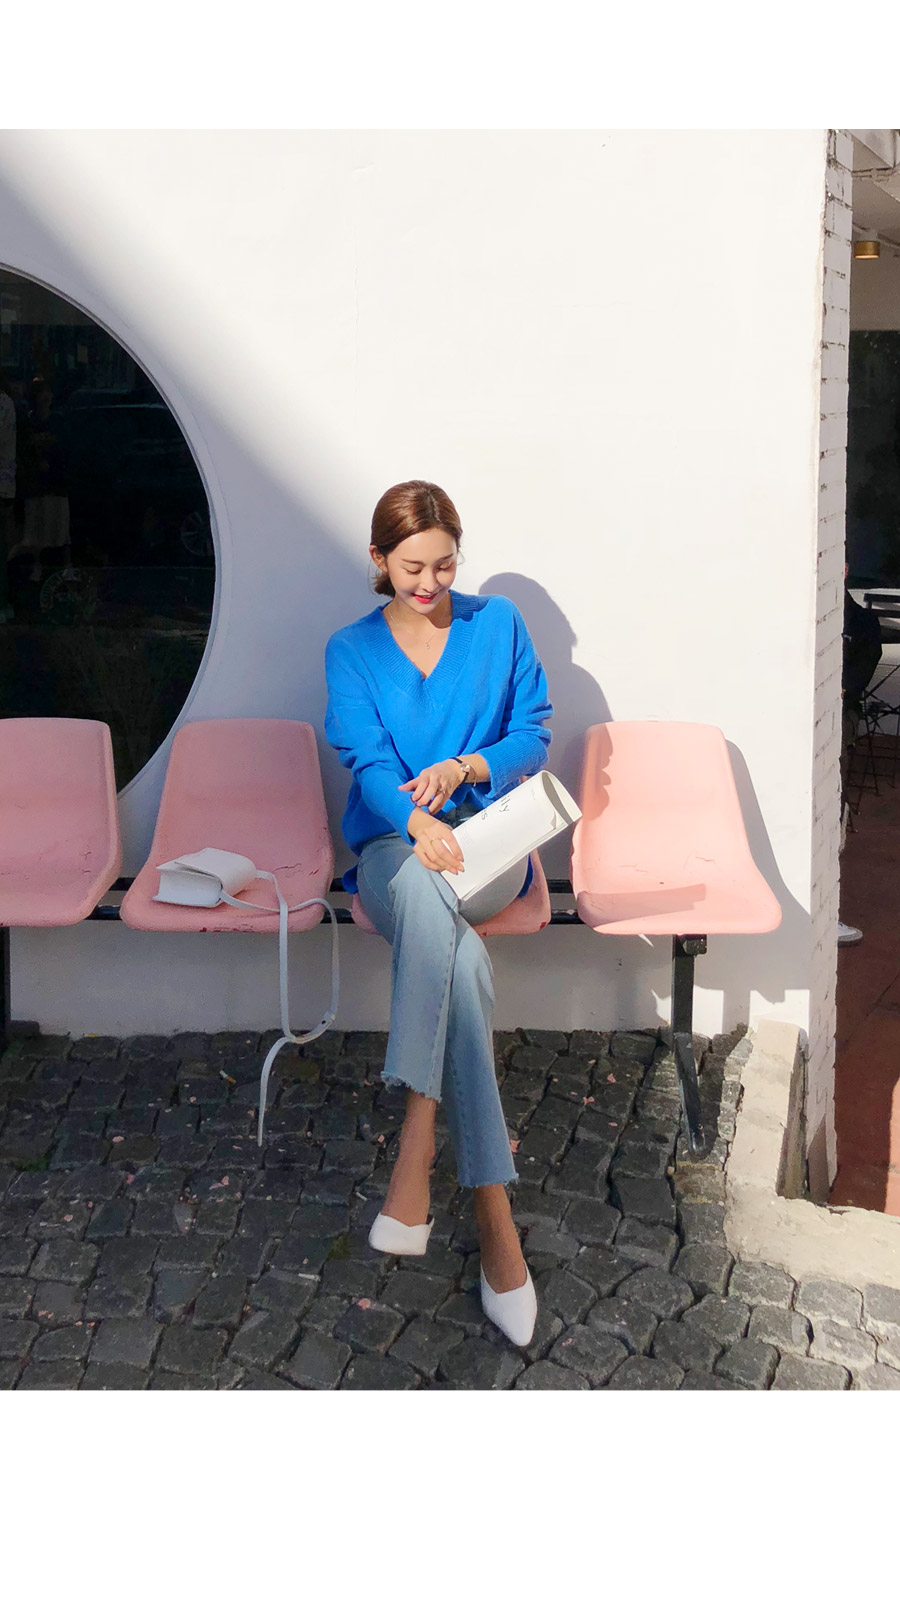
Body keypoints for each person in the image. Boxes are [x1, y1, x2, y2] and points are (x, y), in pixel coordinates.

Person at [324, 480, 552, 1346]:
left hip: (488, 846)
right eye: (412, 566)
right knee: (454, 945)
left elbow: (533, 731)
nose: (430, 582)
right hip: (395, 845)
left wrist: (465, 769)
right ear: (379, 559)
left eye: (446, 564)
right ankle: (495, 1215)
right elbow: (366, 759)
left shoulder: (499, 627)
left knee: (437, 904)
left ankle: (418, 1138)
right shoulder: (351, 650)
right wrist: (416, 821)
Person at [838, 569, 883, 946]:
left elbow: (858, 677)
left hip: (840, 714)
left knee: (831, 792)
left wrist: (841, 690)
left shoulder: (863, 622)